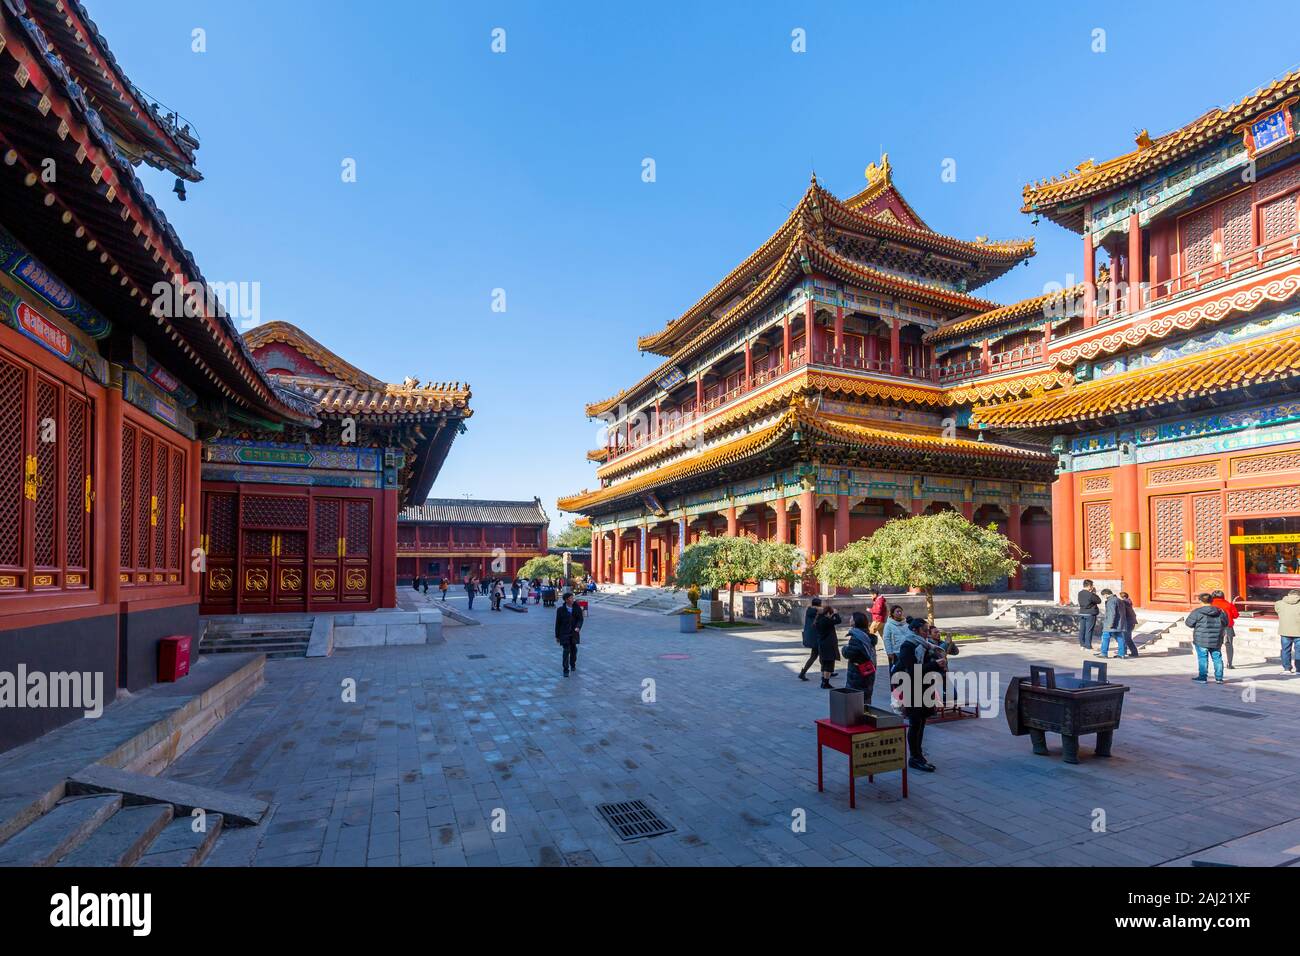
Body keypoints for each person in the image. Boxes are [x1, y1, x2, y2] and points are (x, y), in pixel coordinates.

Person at [1185, 592, 1228, 684]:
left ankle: (1202, 677)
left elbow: (1189, 623)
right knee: (1217, 658)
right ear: (1212, 600)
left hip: (1201, 639)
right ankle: (1219, 678)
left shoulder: (1197, 612)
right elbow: (1226, 623)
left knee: (1203, 658)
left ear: (1200, 601)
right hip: (1216, 639)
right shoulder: (1220, 611)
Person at [842, 611, 878, 704]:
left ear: (855, 622)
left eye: (851, 618)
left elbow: (850, 653)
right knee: (865, 697)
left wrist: (844, 649)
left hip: (857, 673)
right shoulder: (867, 635)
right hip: (868, 670)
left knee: (855, 698)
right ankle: (866, 715)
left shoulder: (857, 636)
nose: (850, 620)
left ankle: (857, 717)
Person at [813, 603, 842, 689]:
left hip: (822, 644)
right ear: (828, 613)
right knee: (829, 664)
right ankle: (825, 682)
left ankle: (823, 681)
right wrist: (836, 614)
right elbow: (838, 621)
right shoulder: (826, 620)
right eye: (831, 613)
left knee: (824, 664)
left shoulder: (819, 620)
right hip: (828, 645)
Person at [555, 591, 583, 676]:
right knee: (566, 651)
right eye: (571, 598)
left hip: (574, 633)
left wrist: (578, 627)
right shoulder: (560, 610)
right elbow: (557, 623)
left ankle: (573, 664)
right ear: (566, 600)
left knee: (574, 650)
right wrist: (557, 635)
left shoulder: (576, 608)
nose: (572, 599)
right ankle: (565, 670)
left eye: (572, 597)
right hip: (564, 633)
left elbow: (580, 619)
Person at [1210, 590, 1238, 669]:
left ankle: (1217, 663)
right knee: (1229, 645)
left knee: (1216, 646)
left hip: (1214, 627)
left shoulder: (1211, 605)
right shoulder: (1229, 604)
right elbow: (1235, 615)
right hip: (1227, 628)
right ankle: (1229, 663)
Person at [797, 598, 823, 681]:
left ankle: (827, 670)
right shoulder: (815, 612)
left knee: (816, 655)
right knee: (817, 656)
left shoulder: (809, 610)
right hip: (816, 637)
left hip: (812, 637)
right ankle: (827, 671)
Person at [1276, 588, 1300, 676]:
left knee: (1285, 650)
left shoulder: (1279, 603)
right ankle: (1299, 669)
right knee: (1299, 651)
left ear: (1288, 594)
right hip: (1298, 631)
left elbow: (1277, 611)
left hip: (1284, 630)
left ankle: (1287, 669)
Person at [1097, 588, 1125, 659]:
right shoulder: (1119, 600)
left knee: (1105, 637)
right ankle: (1121, 654)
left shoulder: (1111, 601)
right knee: (1120, 638)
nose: (1104, 598)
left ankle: (1104, 653)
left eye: (1103, 596)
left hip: (1111, 623)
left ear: (1106, 594)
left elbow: (1112, 613)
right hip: (1119, 623)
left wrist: (1110, 624)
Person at [1077, 580, 1101, 650]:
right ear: (1089, 586)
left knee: (1082, 629)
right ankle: (1088, 646)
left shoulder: (1080, 593)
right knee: (1089, 630)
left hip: (1082, 613)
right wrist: (1094, 593)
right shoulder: (1090, 594)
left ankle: (1082, 644)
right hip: (1090, 614)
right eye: (1092, 585)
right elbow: (1099, 601)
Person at [1118, 591, 1139, 658]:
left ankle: (1131, 652)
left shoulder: (1124, 603)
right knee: (1126, 638)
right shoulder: (1128, 602)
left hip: (1128, 622)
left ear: (1123, 597)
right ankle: (1129, 651)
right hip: (1131, 622)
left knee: (1126, 638)